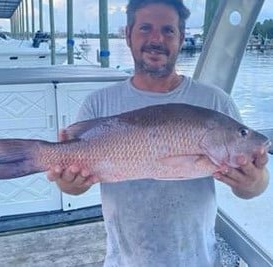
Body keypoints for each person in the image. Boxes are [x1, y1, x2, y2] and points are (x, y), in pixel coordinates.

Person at [47, 0, 269, 266]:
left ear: (182, 37)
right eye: (145, 28)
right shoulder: (98, 103)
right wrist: (68, 183)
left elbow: (254, 187)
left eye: (168, 30)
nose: (156, 39)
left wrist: (253, 182)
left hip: (197, 258)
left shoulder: (215, 102)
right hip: (126, 259)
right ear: (128, 35)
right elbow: (72, 186)